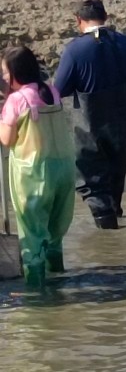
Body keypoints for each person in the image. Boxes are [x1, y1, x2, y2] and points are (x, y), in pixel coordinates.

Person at [51, 0, 126, 229]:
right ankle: (115, 212)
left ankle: (107, 230)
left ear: (79, 21)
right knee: (117, 167)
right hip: (121, 121)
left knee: (90, 173)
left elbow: (59, 90)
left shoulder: (75, 50)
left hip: (90, 124)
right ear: (105, 18)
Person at [0, 47, 76, 288]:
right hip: (63, 169)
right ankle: (58, 278)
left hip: (34, 174)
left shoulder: (17, 100)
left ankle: (37, 293)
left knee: (33, 233)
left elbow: (7, 139)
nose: (3, 77)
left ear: (15, 73)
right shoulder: (52, 91)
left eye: (4, 72)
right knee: (54, 233)